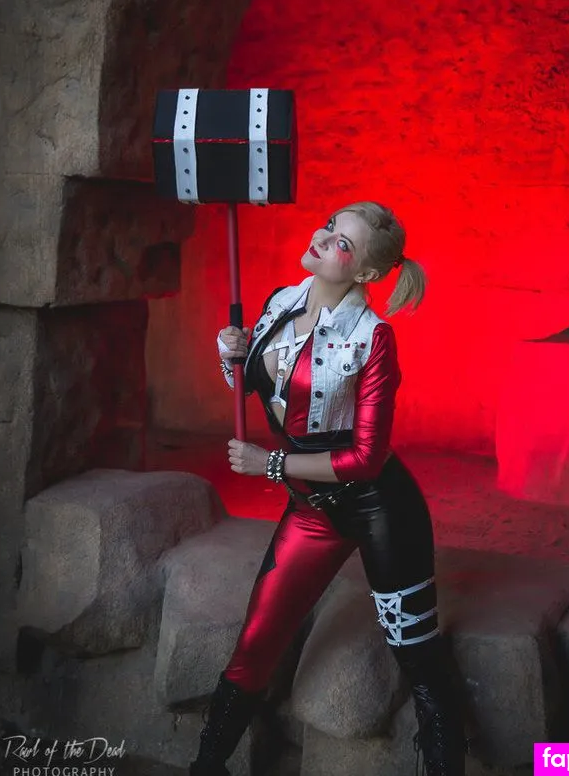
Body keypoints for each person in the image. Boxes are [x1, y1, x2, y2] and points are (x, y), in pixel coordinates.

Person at [189, 201, 465, 776]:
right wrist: (233, 354)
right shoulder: (279, 303)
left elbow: (366, 459)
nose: (323, 237)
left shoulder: (374, 338)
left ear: (366, 272)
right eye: (331, 226)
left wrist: (270, 465)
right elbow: (261, 386)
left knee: (417, 657)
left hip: (380, 509)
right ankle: (206, 767)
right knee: (255, 645)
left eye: (343, 243)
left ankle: (445, 764)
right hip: (312, 510)